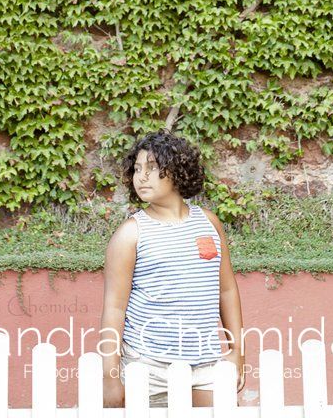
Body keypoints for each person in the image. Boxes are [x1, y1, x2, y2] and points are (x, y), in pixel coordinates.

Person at [100, 127, 245, 408]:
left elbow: (226, 290)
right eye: (137, 168)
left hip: (206, 364)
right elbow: (114, 308)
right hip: (147, 366)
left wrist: (238, 350)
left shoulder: (209, 223)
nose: (141, 177)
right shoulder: (130, 234)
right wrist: (110, 375)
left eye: (152, 168)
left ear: (178, 171)